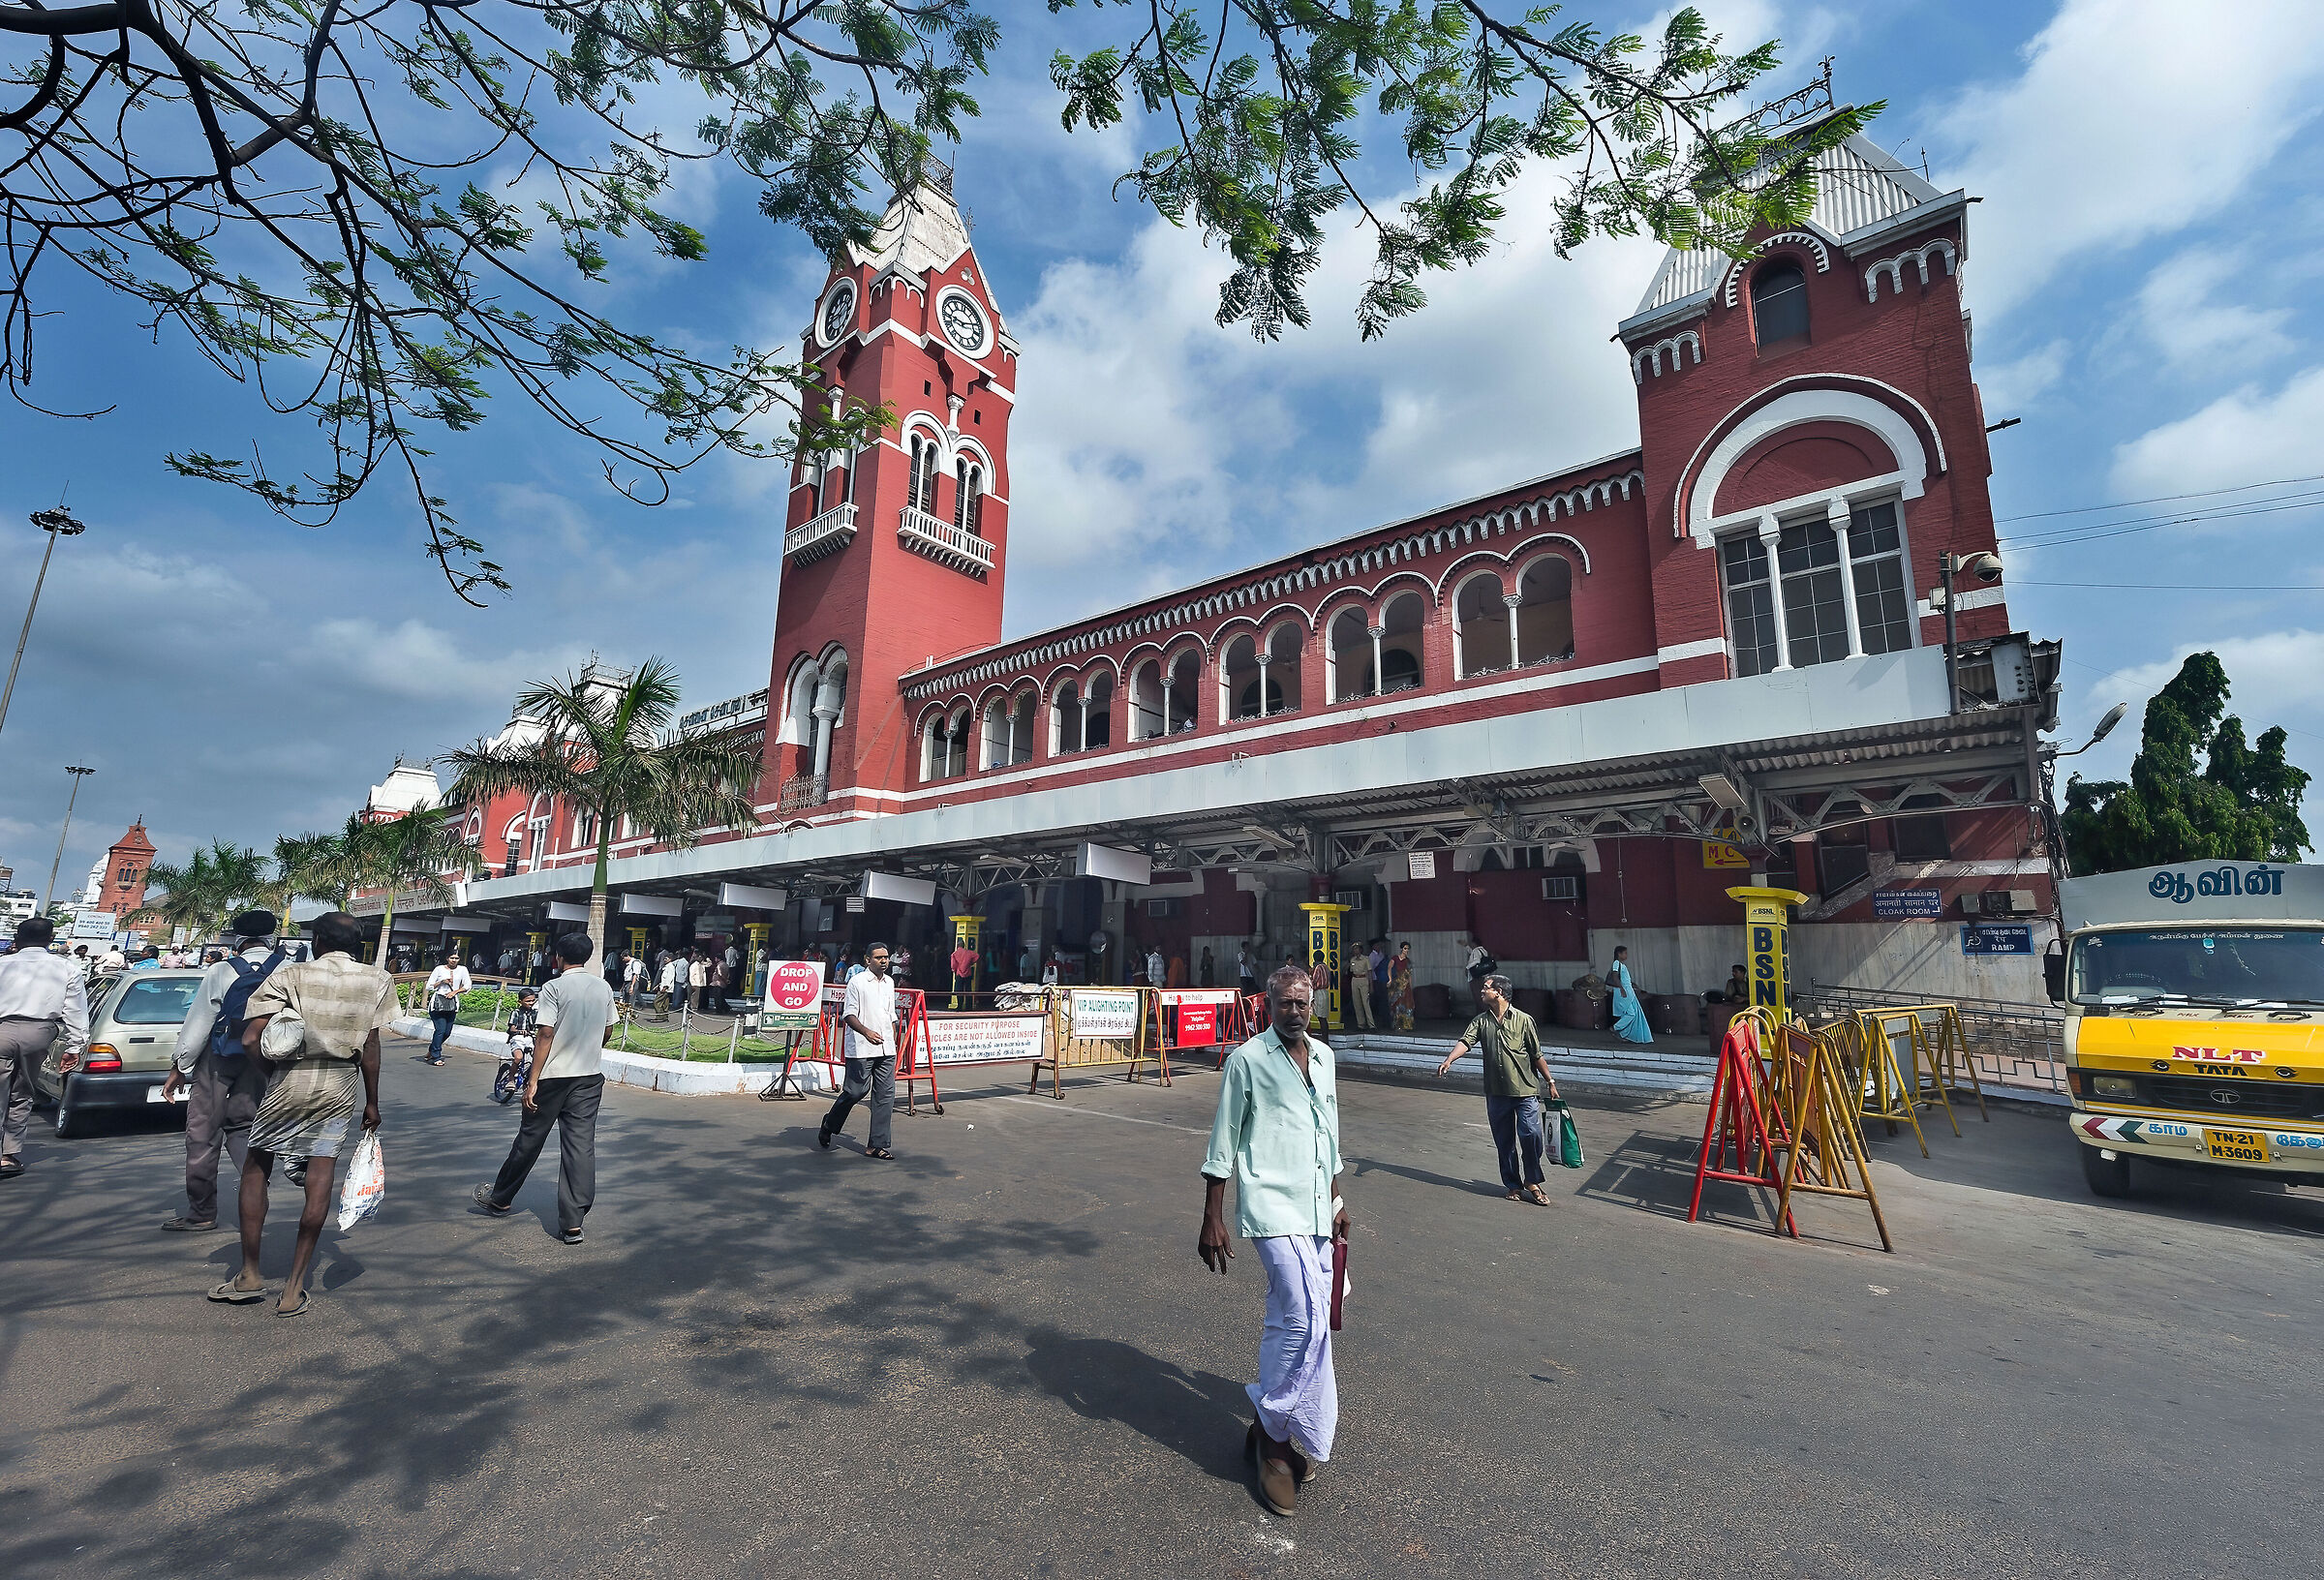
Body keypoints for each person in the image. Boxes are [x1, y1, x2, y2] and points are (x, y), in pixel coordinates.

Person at [1198, 964, 1348, 1518]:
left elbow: (1328, 1134)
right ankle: (1276, 1438)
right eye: (1285, 1003)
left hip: (1315, 1206)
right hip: (1269, 1204)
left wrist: (1336, 1202)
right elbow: (1224, 1136)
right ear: (1267, 1004)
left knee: (1299, 1314)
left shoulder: (1325, 1058)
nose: (1294, 1012)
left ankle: (1265, 1427)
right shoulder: (1248, 1060)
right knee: (1305, 1316)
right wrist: (1212, 1215)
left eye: (1302, 1004)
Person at [211, 911, 393, 1314]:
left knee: (257, 1167)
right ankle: (293, 1289)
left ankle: (249, 1274)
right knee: (320, 1175)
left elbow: (250, 1038)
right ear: (357, 944)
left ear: (317, 941)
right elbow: (371, 1046)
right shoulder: (377, 980)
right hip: (339, 1085)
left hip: (288, 1079)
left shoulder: (291, 975)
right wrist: (372, 1102)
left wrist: (271, 1074)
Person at [473, 932, 618, 1243]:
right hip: (588, 1077)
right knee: (580, 1146)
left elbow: (545, 1034)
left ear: (558, 958)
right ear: (588, 957)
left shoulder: (554, 987)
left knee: (529, 1139)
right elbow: (607, 1030)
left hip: (552, 1078)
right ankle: (573, 1222)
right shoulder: (603, 987)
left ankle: (500, 1198)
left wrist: (532, 1080)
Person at [158, 912, 288, 1232]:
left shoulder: (222, 970)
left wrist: (179, 1067)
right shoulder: (287, 969)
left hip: (219, 1057)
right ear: (272, 938)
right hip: (263, 1059)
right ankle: (256, 1198)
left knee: (202, 1133)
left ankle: (202, 1212)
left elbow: (200, 1020)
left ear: (237, 939)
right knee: (245, 1128)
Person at [1432, 972, 1558, 1204]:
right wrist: (1449, 1060)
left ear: (1499, 992)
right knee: (1504, 1141)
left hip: (1525, 1090)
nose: (1482, 990)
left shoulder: (1524, 1020)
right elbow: (1465, 1041)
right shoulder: (1481, 1021)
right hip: (1497, 1091)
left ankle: (1532, 1180)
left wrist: (1550, 1081)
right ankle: (1513, 1184)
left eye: (1486, 987)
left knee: (1531, 1134)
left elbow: (1536, 1054)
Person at [0, 918, 89, 1179]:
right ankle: (7, 1155)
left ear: (17, 939)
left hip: (2, 1030)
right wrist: (75, 1046)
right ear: (51, 939)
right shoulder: (66, 967)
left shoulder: (2, 964)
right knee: (22, 1092)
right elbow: (75, 1010)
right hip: (39, 1033)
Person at [818, 941, 898, 1160]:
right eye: (879, 958)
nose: (884, 961)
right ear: (868, 960)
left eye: (886, 957)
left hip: (886, 1049)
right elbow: (849, 1014)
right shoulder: (857, 982)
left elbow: (890, 1013)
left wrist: (892, 1037)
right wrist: (866, 1032)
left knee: (885, 1096)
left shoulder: (889, 982)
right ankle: (829, 1123)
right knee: (855, 1092)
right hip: (862, 1048)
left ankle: (877, 1145)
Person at [423, 949, 472, 1065]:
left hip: (452, 1004)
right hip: (438, 1004)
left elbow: (468, 985)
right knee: (440, 1030)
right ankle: (436, 1056)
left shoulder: (463, 969)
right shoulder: (439, 969)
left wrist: (455, 992)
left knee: (447, 1032)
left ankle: (432, 1049)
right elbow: (429, 986)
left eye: (456, 958)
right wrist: (441, 982)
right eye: (452, 958)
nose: (454, 960)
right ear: (447, 958)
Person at [1606, 945, 1652, 1044]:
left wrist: (1633, 986)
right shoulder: (1616, 963)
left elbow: (1625, 979)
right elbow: (1615, 977)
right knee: (1631, 1013)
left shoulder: (1621, 965)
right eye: (1625, 953)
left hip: (1628, 991)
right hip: (1623, 991)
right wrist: (1622, 988)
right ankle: (1615, 1028)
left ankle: (1624, 1034)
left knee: (1630, 1013)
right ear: (1619, 954)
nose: (1626, 955)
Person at [1343, 946, 1374, 1032]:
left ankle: (1371, 1025)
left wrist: (1371, 985)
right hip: (1355, 979)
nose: (1355, 951)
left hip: (1363, 979)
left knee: (1366, 1003)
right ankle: (1361, 1024)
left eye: (1357, 949)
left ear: (1361, 950)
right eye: (1354, 949)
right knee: (1357, 1003)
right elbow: (1348, 970)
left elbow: (1369, 972)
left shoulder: (1365, 959)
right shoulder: (1352, 960)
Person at [1391, 942, 1415, 1031]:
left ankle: (1406, 1025)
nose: (1406, 950)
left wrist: (1410, 987)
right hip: (1396, 985)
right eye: (1405, 948)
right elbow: (1389, 969)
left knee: (1407, 1004)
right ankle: (1397, 1025)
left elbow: (1409, 975)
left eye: (1408, 949)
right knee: (1397, 1004)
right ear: (1401, 949)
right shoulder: (1395, 959)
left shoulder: (1408, 961)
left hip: (1405, 985)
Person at [948, 936, 975, 1007]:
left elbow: (953, 965)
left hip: (959, 974)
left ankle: (960, 1005)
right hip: (968, 973)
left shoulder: (954, 954)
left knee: (959, 990)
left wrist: (954, 970)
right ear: (964, 945)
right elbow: (977, 956)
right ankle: (969, 1006)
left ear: (957, 946)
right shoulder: (969, 952)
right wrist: (971, 963)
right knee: (968, 990)